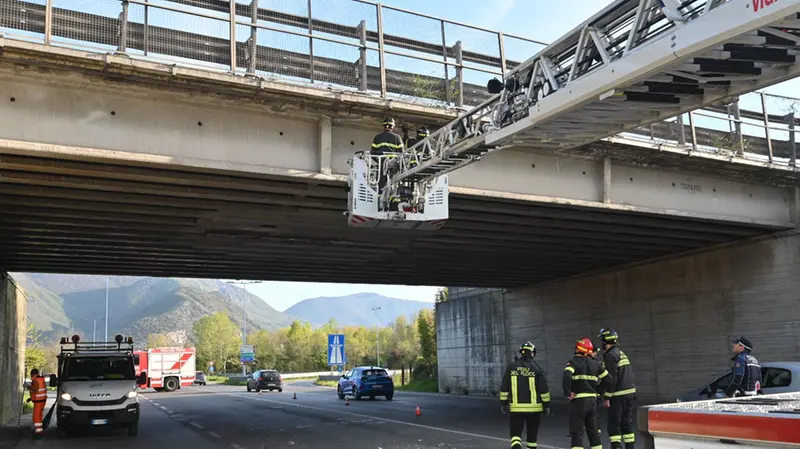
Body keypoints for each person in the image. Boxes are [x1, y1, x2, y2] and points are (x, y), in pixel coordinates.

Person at [500, 341, 550, 449]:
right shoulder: (537, 368)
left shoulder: (511, 367)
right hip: (534, 409)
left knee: (515, 435)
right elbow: (544, 389)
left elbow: (504, 387)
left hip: (516, 408)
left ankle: (516, 446)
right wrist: (546, 406)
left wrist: (503, 403)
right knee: (532, 437)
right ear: (533, 353)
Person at [563, 338, 611, 449]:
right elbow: (608, 379)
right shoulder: (596, 364)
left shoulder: (573, 362)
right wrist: (598, 391)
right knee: (593, 432)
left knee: (577, 432)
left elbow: (567, 375)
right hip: (592, 402)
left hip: (578, 402)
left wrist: (568, 392)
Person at [598, 328, 637, 449]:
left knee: (614, 424)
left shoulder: (610, 355)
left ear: (605, 341)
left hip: (618, 395)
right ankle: (630, 447)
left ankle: (616, 447)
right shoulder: (620, 353)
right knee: (627, 423)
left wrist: (607, 396)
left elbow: (611, 378)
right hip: (629, 393)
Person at [27, 368, 47, 438]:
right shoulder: (41, 380)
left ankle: (38, 432)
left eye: (31, 374)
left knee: (36, 417)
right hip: (42, 400)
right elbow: (39, 391)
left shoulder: (35, 380)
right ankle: (40, 429)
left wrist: (28, 386)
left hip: (38, 401)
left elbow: (35, 389)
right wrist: (31, 398)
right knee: (39, 415)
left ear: (33, 374)